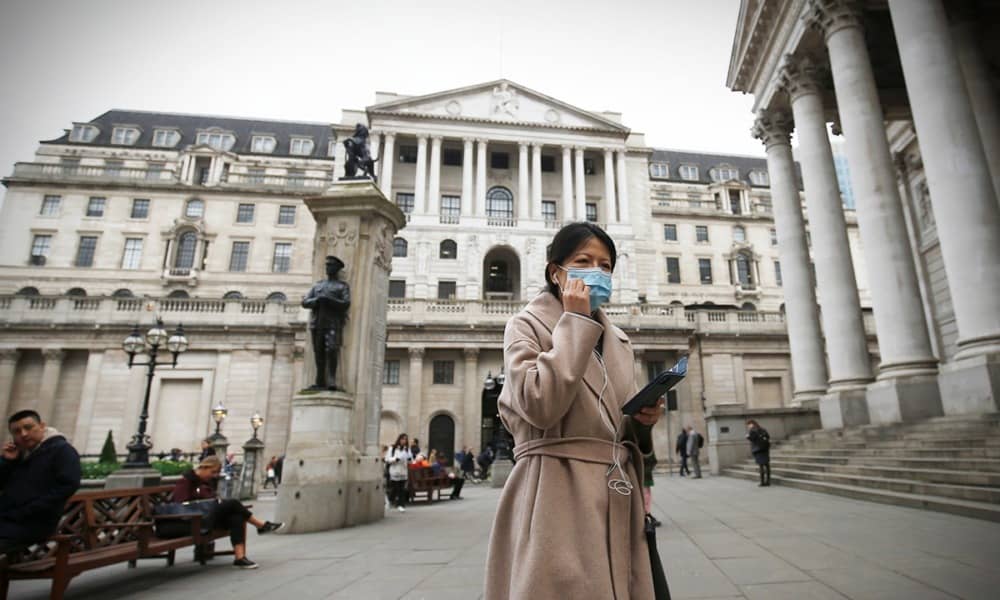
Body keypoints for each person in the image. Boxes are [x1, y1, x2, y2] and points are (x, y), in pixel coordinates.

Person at [485, 222, 665, 599]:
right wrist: (576, 322)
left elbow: (618, 425)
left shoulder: (619, 339)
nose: (596, 272)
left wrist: (643, 422)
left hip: (616, 492)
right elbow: (540, 404)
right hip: (555, 488)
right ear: (556, 271)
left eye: (605, 265)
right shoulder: (525, 325)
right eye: (583, 261)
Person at [172, 456, 283, 569]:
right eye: (213, 472)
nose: (214, 475)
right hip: (193, 520)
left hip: (207, 518)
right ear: (204, 468)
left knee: (236, 516)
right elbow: (180, 504)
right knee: (233, 503)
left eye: (216, 473)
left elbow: (212, 498)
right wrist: (203, 501)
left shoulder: (205, 482)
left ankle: (240, 558)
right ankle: (260, 525)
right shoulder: (185, 482)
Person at [0, 410, 82, 554]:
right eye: (17, 431)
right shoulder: (20, 454)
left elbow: (68, 486)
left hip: (33, 525)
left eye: (28, 427)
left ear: (42, 426)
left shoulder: (62, 450)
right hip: (9, 521)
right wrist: (7, 462)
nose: (23, 434)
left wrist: (25, 511)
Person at [385, 434, 412, 512]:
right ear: (399, 439)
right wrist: (396, 459)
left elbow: (410, 459)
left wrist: (409, 458)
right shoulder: (392, 448)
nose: (404, 441)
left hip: (403, 471)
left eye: (405, 439)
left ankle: (401, 505)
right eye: (402, 439)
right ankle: (389, 500)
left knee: (402, 489)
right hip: (394, 470)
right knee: (395, 488)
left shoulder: (407, 449)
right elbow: (387, 459)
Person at [746, 419, 771, 487]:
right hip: (765, 449)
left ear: (752, 424)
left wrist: (747, 437)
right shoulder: (763, 429)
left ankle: (762, 482)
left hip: (758, 450)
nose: (748, 426)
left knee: (761, 466)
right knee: (767, 465)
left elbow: (752, 439)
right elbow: (768, 437)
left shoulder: (752, 431)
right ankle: (768, 481)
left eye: (748, 425)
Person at [643, 449, 662, 527]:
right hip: (645, 473)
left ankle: (646, 515)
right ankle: (646, 515)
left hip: (642, 473)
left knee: (645, 494)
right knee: (646, 495)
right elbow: (653, 460)